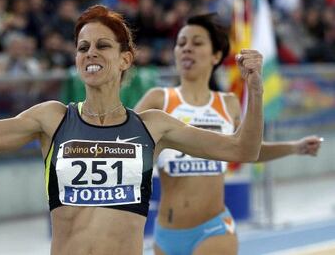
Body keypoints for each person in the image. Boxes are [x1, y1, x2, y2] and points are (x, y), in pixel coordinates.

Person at [0, 6, 264, 255]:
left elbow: (242, 150)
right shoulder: (51, 119)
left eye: (102, 45)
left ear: (125, 59)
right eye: (83, 48)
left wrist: (256, 90)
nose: (90, 53)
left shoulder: (152, 127)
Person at [135, 14, 322, 255]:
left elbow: (247, 149)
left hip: (213, 230)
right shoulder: (158, 99)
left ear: (216, 55)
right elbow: (122, 141)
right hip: (165, 234)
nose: (186, 49)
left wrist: (294, 147)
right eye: (181, 43)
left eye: (197, 42)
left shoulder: (228, 103)